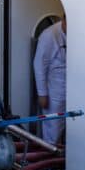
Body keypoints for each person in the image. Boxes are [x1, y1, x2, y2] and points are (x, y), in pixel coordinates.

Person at [33, 14, 67, 145]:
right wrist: (42, 94)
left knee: (67, 126)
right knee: (53, 128)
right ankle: (49, 161)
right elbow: (39, 65)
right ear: (63, 20)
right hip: (55, 90)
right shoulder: (49, 36)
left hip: (71, 87)